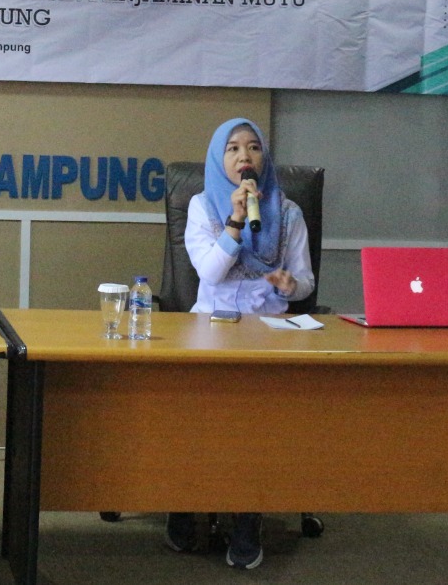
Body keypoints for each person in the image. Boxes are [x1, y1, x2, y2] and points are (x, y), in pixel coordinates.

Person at [168, 116, 314, 570]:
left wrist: (291, 285)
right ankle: (184, 500)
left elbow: (306, 282)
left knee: (254, 424)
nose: (244, 156)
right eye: (232, 148)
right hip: (209, 328)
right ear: (219, 159)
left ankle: (248, 513)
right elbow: (211, 274)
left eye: (253, 147)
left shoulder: (288, 212)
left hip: (267, 332)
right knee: (197, 419)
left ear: (263, 158)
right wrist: (235, 221)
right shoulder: (200, 207)